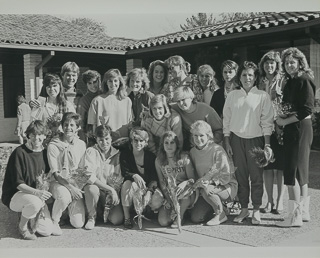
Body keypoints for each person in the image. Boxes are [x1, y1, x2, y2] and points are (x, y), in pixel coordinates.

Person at [223, 61, 274, 225]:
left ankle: (256, 209)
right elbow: (227, 120)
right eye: (244, 75)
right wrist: (227, 141)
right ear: (240, 77)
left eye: (250, 75)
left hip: (256, 140)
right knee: (241, 177)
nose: (247, 78)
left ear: (255, 77)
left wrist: (267, 144)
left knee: (257, 177)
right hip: (236, 140)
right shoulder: (232, 95)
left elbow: (267, 121)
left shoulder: (262, 96)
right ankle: (244, 208)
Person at [275, 48, 316, 227]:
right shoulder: (291, 81)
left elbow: (307, 109)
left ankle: (294, 216)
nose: (289, 65)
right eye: (286, 63)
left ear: (300, 62)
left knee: (292, 171)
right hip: (295, 126)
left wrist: (284, 122)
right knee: (300, 170)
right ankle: (304, 212)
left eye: (292, 62)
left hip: (299, 127)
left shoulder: (303, 80)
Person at [1, 120, 53, 240]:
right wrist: (38, 193)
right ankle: (23, 228)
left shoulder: (45, 153)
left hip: (36, 195)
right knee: (34, 203)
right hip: (16, 195)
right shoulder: (19, 153)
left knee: (46, 231)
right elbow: (18, 184)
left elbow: (48, 177)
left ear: (45, 136)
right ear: (28, 135)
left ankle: (29, 213)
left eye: (40, 134)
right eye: (33, 134)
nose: (36, 138)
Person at [189, 121, 238, 226]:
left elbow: (226, 175)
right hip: (204, 189)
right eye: (195, 136)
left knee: (207, 190)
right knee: (196, 218)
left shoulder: (217, 150)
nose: (198, 139)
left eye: (201, 135)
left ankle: (220, 215)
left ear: (208, 135)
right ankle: (221, 207)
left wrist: (210, 182)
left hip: (226, 186)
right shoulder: (192, 152)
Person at [47, 112, 86, 235]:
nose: (68, 128)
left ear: (77, 128)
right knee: (65, 196)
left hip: (75, 183)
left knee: (78, 223)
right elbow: (55, 174)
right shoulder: (53, 145)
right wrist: (70, 188)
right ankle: (55, 221)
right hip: (58, 183)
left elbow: (82, 170)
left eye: (72, 125)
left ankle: (65, 212)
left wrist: (76, 188)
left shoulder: (81, 144)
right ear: (61, 126)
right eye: (65, 124)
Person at [80, 124, 124, 230]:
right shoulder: (91, 151)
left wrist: (113, 192)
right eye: (101, 140)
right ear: (96, 139)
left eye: (107, 139)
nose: (104, 143)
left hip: (108, 193)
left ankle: (102, 212)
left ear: (111, 138)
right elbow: (88, 176)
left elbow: (119, 177)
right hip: (96, 190)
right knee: (91, 188)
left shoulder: (117, 154)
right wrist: (110, 189)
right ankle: (92, 217)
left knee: (117, 220)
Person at [258, 51, 286, 214]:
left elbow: (287, 103)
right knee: (267, 167)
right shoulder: (259, 82)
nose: (269, 66)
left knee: (279, 167)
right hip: (263, 127)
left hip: (279, 128)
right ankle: (269, 201)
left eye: (272, 63)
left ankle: (279, 201)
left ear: (277, 65)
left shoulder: (283, 81)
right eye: (267, 63)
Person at [155, 131, 197, 228]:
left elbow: (192, 180)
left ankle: (180, 217)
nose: (169, 146)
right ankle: (182, 212)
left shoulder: (184, 158)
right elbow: (162, 181)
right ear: (162, 145)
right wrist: (169, 199)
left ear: (177, 144)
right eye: (166, 143)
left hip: (186, 191)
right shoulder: (158, 161)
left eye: (172, 142)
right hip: (171, 193)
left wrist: (184, 183)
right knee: (163, 222)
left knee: (184, 195)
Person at [120, 127, 158, 229]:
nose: (138, 143)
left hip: (147, 188)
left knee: (157, 199)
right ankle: (127, 218)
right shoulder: (125, 155)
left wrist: (149, 191)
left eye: (141, 141)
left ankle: (147, 211)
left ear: (146, 143)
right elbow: (125, 173)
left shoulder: (151, 157)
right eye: (135, 140)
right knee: (127, 184)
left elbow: (155, 178)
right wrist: (134, 175)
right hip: (133, 188)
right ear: (131, 141)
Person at [171, 86, 223, 151]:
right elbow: (163, 106)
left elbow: (220, 130)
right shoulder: (176, 108)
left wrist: (207, 144)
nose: (181, 103)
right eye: (178, 101)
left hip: (207, 147)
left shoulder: (206, 110)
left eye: (183, 99)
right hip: (189, 147)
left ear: (191, 98)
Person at [88, 69, 132, 138]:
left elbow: (130, 124)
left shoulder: (127, 101)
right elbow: (93, 126)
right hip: (105, 142)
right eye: (110, 81)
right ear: (106, 83)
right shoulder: (97, 101)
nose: (113, 84)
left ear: (120, 82)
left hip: (124, 141)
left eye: (115, 81)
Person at [77, 70, 101, 144]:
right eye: (89, 83)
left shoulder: (105, 95)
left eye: (94, 82)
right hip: (92, 136)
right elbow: (81, 121)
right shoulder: (84, 100)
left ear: (99, 81)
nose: (93, 86)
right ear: (86, 85)